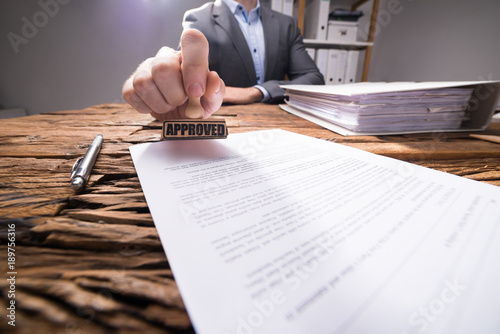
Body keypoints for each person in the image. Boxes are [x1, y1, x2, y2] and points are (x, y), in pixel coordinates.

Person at [122, 0, 324, 121]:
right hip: (222, 125)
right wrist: (164, 80)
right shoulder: (199, 18)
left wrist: (257, 92)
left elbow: (314, 78)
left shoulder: (286, 24)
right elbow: (186, 71)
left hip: (280, 124)